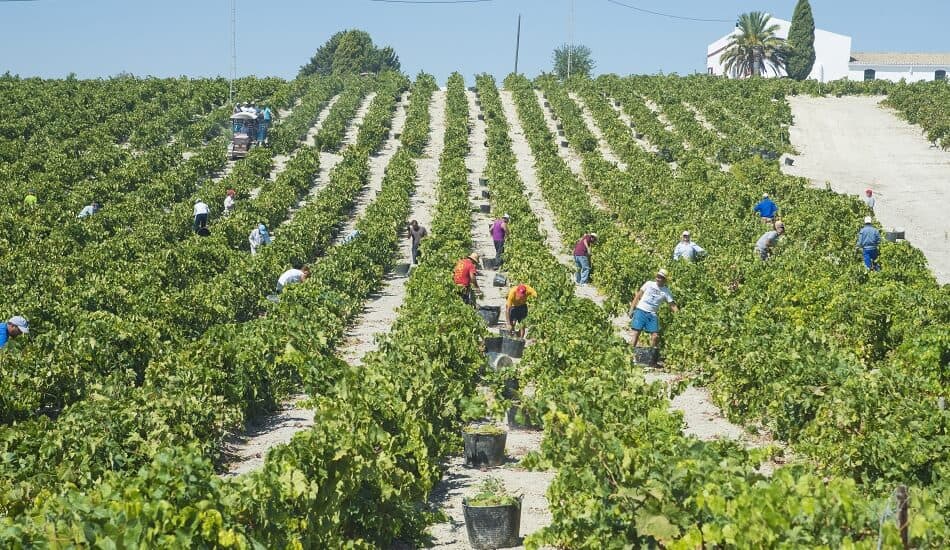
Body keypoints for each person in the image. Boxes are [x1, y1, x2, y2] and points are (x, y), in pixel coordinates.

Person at [629, 269, 678, 351]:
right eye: (658, 276)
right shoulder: (648, 284)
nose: (658, 279)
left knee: (655, 336)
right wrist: (631, 309)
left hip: (652, 314)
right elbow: (638, 296)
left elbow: (672, 305)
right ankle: (629, 354)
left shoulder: (666, 291)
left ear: (665, 280)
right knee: (636, 333)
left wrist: (679, 316)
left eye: (661, 277)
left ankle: (651, 355)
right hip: (640, 310)